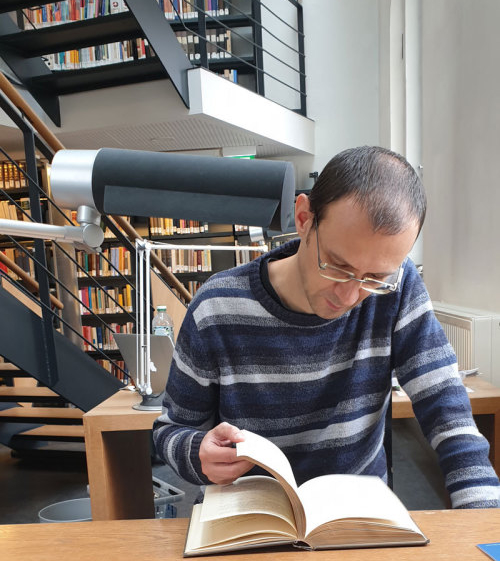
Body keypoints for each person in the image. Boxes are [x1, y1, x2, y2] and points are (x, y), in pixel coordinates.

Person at [153, 145, 500, 508]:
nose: (350, 295)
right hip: (250, 518)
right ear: (304, 218)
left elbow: (445, 402)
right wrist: (199, 454)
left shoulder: (398, 287)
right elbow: (169, 431)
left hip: (355, 516)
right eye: (336, 265)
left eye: (374, 278)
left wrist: (482, 517)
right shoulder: (217, 306)